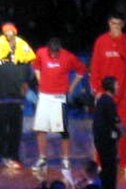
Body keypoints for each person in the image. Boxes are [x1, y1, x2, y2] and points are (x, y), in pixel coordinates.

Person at [90, 12, 126, 175]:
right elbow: (95, 66)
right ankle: (99, 161)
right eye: (113, 23)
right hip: (105, 93)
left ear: (123, 25)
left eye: (118, 24)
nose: (115, 27)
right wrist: (97, 89)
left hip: (125, 92)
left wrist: (118, 41)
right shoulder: (101, 41)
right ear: (108, 23)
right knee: (102, 129)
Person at [0, 23, 36, 169]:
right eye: (6, 31)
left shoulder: (23, 46)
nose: (9, 33)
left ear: (15, 32)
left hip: (17, 95)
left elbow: (29, 67)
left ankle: (12, 157)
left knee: (15, 129)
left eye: (11, 31)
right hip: (0, 94)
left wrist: (27, 82)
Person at [31, 38, 86, 171]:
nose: (54, 55)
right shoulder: (41, 52)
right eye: (52, 52)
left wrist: (72, 87)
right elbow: (36, 66)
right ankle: (42, 158)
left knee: (63, 130)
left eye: (57, 52)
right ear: (48, 49)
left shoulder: (68, 56)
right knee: (41, 128)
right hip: (44, 96)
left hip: (59, 97)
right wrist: (40, 81)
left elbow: (82, 70)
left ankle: (66, 159)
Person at [92, 76, 121, 189]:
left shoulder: (102, 100)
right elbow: (115, 122)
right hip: (106, 141)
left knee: (106, 166)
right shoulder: (109, 102)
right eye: (116, 84)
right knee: (110, 168)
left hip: (100, 139)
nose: (118, 87)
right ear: (111, 86)